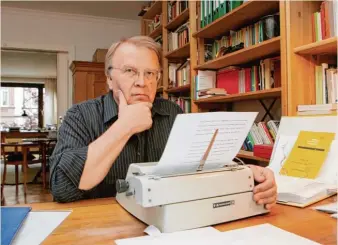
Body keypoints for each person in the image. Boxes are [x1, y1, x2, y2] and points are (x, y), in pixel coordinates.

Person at [49, 36, 277, 210]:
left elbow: (199, 170)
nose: (142, 82)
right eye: (130, 71)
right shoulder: (79, 116)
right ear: (109, 78)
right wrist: (124, 126)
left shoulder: (172, 113)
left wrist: (249, 176)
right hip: (100, 229)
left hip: (161, 226)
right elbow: (61, 188)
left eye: (150, 73)